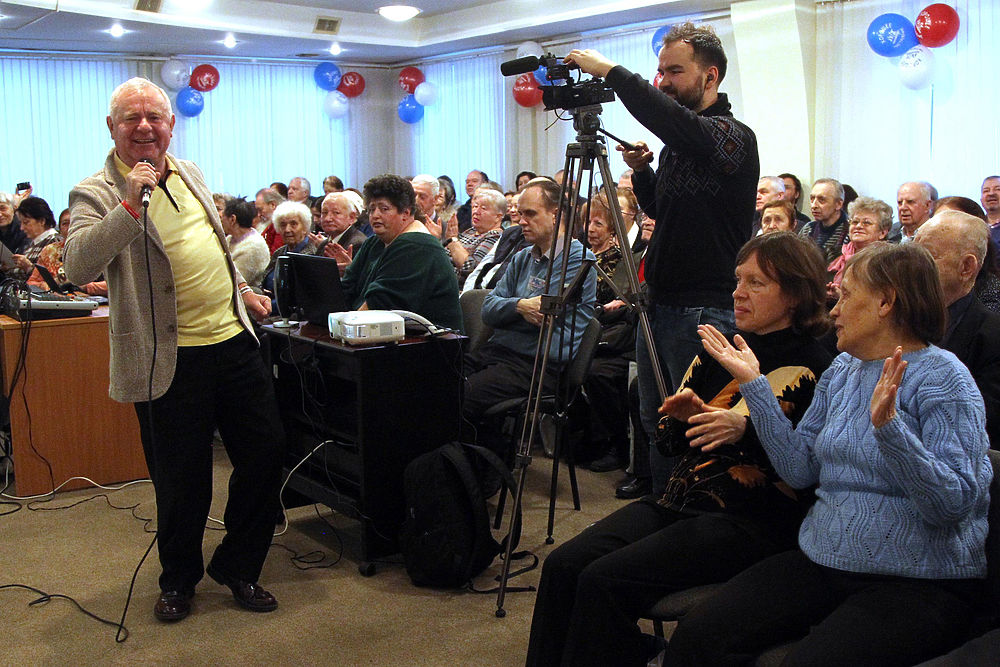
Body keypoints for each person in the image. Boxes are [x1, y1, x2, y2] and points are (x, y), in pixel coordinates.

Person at [669, 242, 991, 665]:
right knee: (699, 634)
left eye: (846, 296)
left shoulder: (946, 379)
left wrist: (893, 432)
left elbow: (952, 505)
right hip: (826, 557)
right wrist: (755, 387)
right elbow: (800, 470)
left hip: (917, 578)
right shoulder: (842, 370)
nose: (833, 311)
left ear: (885, 302)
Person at [525, 232, 833, 666]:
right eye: (738, 279)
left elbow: (805, 471)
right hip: (679, 499)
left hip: (749, 519)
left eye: (756, 283)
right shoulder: (720, 348)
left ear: (796, 295)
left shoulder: (818, 367)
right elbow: (668, 441)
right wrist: (683, 418)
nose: (738, 293)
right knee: (563, 563)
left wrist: (743, 431)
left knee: (601, 581)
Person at [63, 77, 284, 622]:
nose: (144, 127)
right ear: (111, 127)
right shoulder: (95, 191)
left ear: (171, 124)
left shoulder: (190, 172)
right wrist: (129, 205)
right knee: (182, 481)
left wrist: (241, 288)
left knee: (265, 456)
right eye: (131, 118)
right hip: (168, 357)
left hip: (232, 341)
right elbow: (77, 265)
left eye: (154, 117)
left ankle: (238, 565)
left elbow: (215, 245)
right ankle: (179, 580)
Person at [565, 22, 759, 492]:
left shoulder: (732, 136)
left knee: (693, 428)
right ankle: (662, 506)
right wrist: (643, 173)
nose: (664, 82)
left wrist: (611, 72)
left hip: (703, 308)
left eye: (675, 71)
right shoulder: (680, 145)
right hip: (661, 304)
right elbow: (662, 211)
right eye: (660, 72)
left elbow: (675, 122)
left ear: (710, 76)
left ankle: (689, 513)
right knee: (657, 422)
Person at [462, 178, 596, 424]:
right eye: (521, 213)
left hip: (537, 366)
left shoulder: (578, 260)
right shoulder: (523, 257)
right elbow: (488, 310)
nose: (521, 221)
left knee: (460, 397)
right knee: (437, 380)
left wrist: (508, 310)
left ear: (556, 215)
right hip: (499, 353)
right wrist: (520, 306)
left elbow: (544, 315)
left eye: (530, 214)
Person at [327, 174, 462, 330]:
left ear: (406, 213)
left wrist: (341, 329)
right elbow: (346, 290)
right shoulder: (374, 243)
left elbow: (378, 308)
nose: (375, 215)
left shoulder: (417, 246)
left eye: (384, 209)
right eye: (371, 209)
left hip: (429, 342)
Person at [915, 211, 1000, 448]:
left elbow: (980, 424)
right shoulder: (897, 319)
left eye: (927, 257)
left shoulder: (992, 337)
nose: (911, 267)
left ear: (966, 267)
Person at [581, 189, 643, 473]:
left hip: (613, 330)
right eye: (588, 222)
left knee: (596, 371)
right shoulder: (581, 254)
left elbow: (616, 301)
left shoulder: (620, 258)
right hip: (590, 326)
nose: (591, 229)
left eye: (598, 223)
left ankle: (612, 443)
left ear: (612, 229)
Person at [826, 195, 892, 296]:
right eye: (855, 221)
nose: (858, 226)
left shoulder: (887, 262)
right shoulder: (832, 253)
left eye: (866, 223)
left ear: (882, 232)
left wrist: (843, 298)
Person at [261, 200, 320, 296]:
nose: (287, 230)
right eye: (283, 225)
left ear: (305, 228)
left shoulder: (313, 255)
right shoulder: (279, 253)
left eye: (293, 224)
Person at [445, 188, 504, 282]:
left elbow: (470, 268)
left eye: (483, 208)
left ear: (498, 217)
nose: (476, 211)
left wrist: (452, 241)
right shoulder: (470, 231)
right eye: (475, 206)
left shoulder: (496, 236)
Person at [221, 197, 270, 290]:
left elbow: (234, 282)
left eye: (223, 217)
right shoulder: (230, 238)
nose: (221, 221)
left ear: (232, 219)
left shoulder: (253, 247)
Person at [312, 191, 367, 272]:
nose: (327, 219)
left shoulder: (357, 244)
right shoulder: (324, 244)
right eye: (324, 213)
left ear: (351, 218)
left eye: (336, 213)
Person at [9, 196, 61, 281]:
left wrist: (29, 267)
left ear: (42, 221)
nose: (22, 228)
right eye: (21, 223)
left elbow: (55, 280)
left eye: (26, 222)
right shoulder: (31, 244)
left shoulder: (54, 242)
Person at [799, 178, 848, 263]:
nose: (814, 205)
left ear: (838, 204)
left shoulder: (849, 232)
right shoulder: (808, 228)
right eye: (812, 198)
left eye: (821, 200)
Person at [254, 187, 284, 253]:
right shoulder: (269, 223)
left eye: (260, 210)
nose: (259, 215)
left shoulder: (282, 224)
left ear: (273, 205)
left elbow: (275, 254)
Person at [981, 176, 1000, 247]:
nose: (991, 193)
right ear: (981, 200)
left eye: (998, 189)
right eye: (986, 191)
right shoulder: (974, 226)